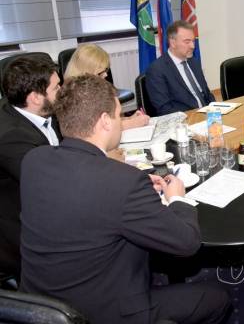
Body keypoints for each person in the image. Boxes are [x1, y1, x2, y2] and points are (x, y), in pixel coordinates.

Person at [19, 74, 230, 324]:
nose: (121, 123)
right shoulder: (122, 182)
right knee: (218, 299)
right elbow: (187, 243)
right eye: (119, 115)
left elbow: (83, 194)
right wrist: (177, 199)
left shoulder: (34, 160)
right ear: (105, 121)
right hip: (99, 314)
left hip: (37, 307)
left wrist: (131, 187)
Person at [0, 56, 61, 279]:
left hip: (46, 204)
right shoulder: (11, 137)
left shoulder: (43, 109)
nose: (62, 91)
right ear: (35, 97)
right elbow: (53, 183)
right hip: (20, 231)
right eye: (56, 87)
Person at [65, 43, 149, 129]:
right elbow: (97, 129)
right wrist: (131, 123)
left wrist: (130, 118)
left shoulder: (93, 87)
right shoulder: (76, 96)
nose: (105, 75)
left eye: (105, 70)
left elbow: (108, 121)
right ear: (86, 70)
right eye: (100, 73)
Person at [146, 20, 216, 115]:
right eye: (187, 42)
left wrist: (215, 110)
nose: (192, 46)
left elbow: (207, 94)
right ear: (173, 43)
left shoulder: (194, 62)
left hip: (207, 114)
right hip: (185, 118)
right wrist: (195, 116)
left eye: (193, 41)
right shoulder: (157, 70)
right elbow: (164, 109)